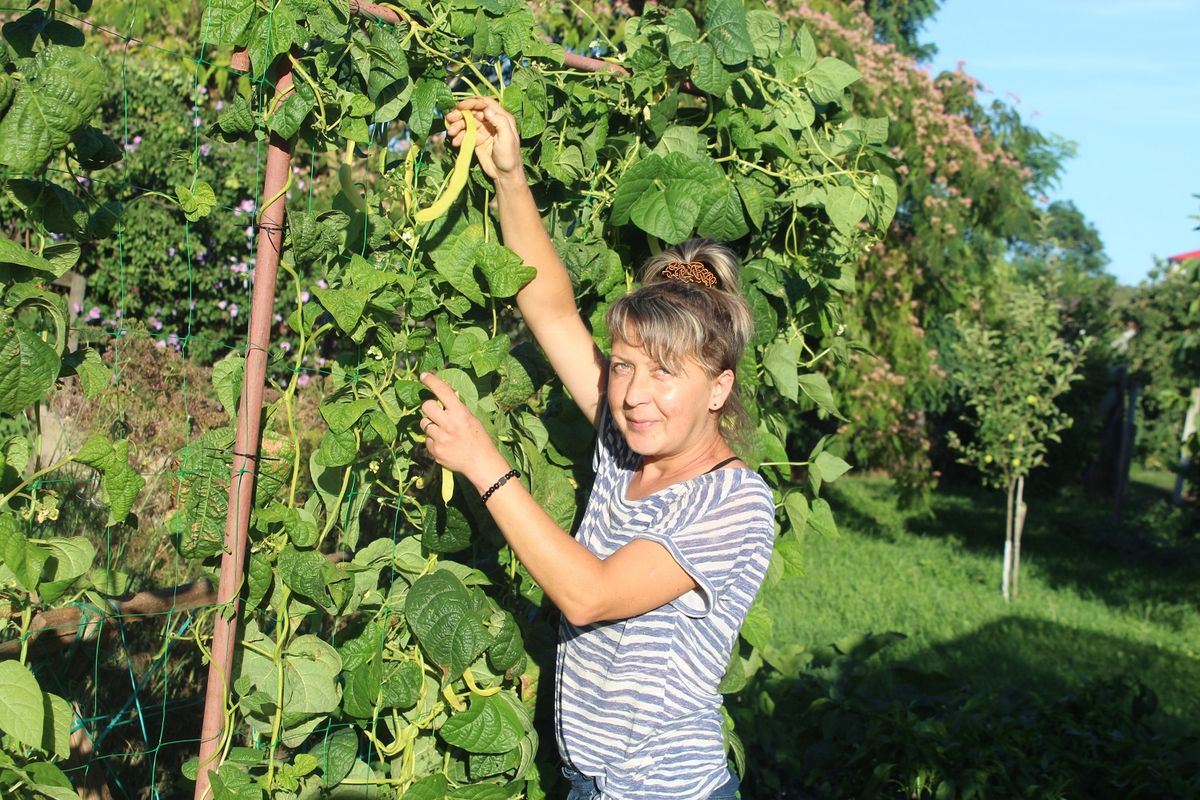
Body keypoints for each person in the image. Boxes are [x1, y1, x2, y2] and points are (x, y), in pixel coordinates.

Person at [417, 96, 776, 800]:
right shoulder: (626, 443)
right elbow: (548, 306)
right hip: (592, 785)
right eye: (624, 364)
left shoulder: (737, 503)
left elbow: (589, 596)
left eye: (666, 372)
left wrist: (483, 463)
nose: (636, 393)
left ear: (718, 386)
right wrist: (509, 178)